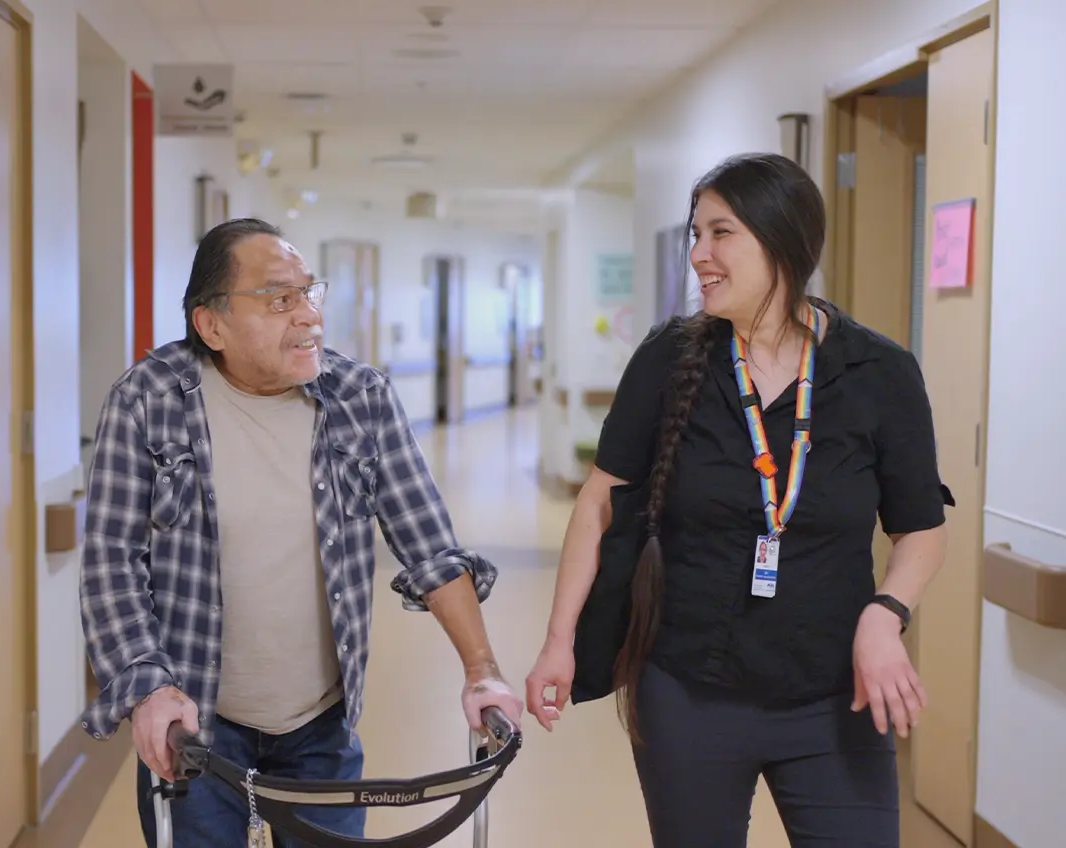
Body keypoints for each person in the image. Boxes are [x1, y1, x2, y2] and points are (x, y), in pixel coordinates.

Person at [525, 153, 952, 847]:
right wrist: (558, 643)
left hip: (834, 691)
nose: (699, 255)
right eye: (696, 234)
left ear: (780, 239)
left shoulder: (879, 373)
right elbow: (600, 506)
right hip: (689, 686)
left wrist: (885, 615)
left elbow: (922, 533)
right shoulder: (670, 359)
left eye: (720, 234)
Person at [79, 217, 523, 848]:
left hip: (321, 722)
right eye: (280, 299)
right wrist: (147, 687)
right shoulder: (147, 401)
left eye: (310, 293)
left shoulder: (359, 398)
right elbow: (111, 563)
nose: (309, 315)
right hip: (196, 720)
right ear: (212, 325)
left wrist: (483, 671)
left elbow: (429, 545)